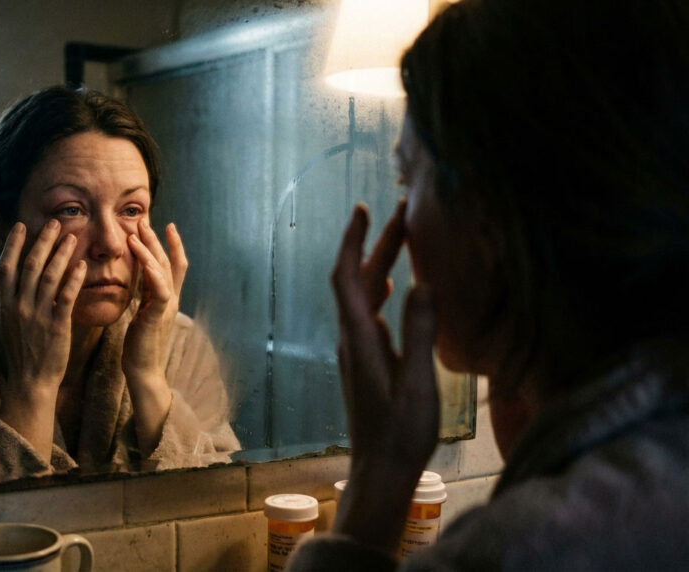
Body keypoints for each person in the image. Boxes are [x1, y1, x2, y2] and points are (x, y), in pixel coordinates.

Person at [288, 0, 689, 569]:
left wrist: (381, 473)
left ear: (488, 219)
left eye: (408, 180)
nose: (399, 224)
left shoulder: (535, 546)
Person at [0, 86, 239, 489]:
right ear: (0, 229)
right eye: (72, 210)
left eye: (131, 210)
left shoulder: (181, 344)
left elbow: (217, 512)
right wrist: (33, 387)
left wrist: (149, 378)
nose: (111, 244)